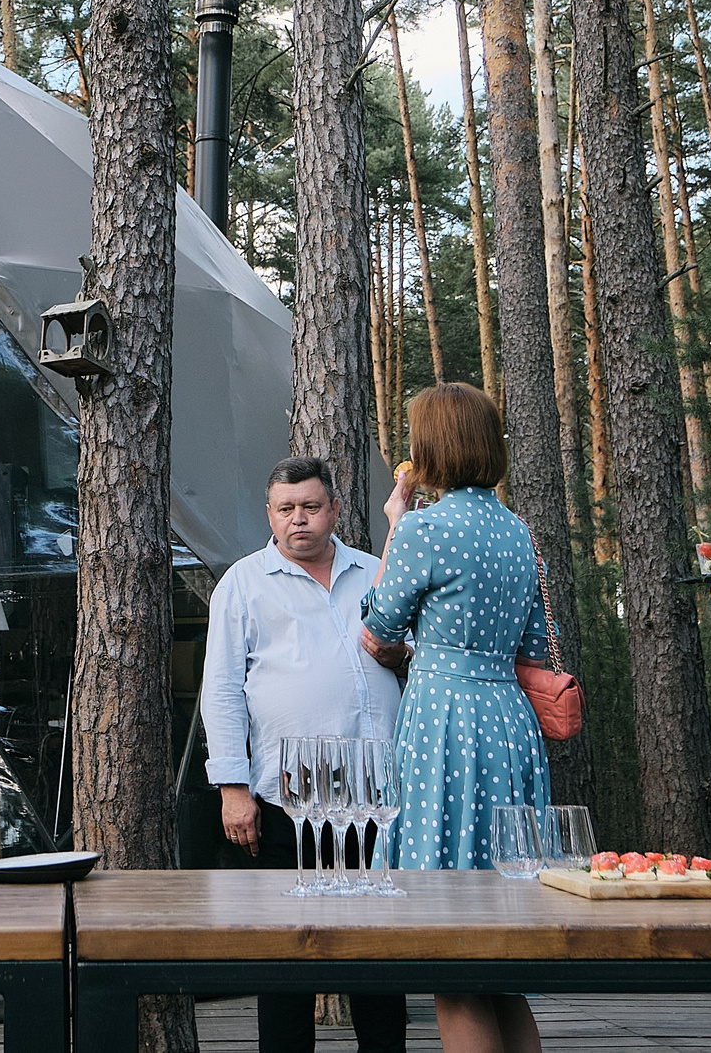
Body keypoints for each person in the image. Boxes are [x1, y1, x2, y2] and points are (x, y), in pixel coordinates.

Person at [360, 384, 546, 1053]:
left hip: (446, 724)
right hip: (509, 721)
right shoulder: (516, 529)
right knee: (502, 959)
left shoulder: (423, 528)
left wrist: (394, 524)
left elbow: (378, 624)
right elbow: (532, 647)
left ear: (432, 446)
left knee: (453, 954)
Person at [201, 455, 404, 1053]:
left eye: (311, 507)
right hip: (290, 798)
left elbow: (415, 654)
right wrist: (232, 788)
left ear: (335, 510)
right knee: (286, 963)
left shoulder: (377, 572)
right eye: (286, 509)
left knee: (379, 961)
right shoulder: (242, 583)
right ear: (269, 514)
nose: (299, 521)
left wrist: (403, 657)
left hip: (378, 799)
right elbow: (220, 691)